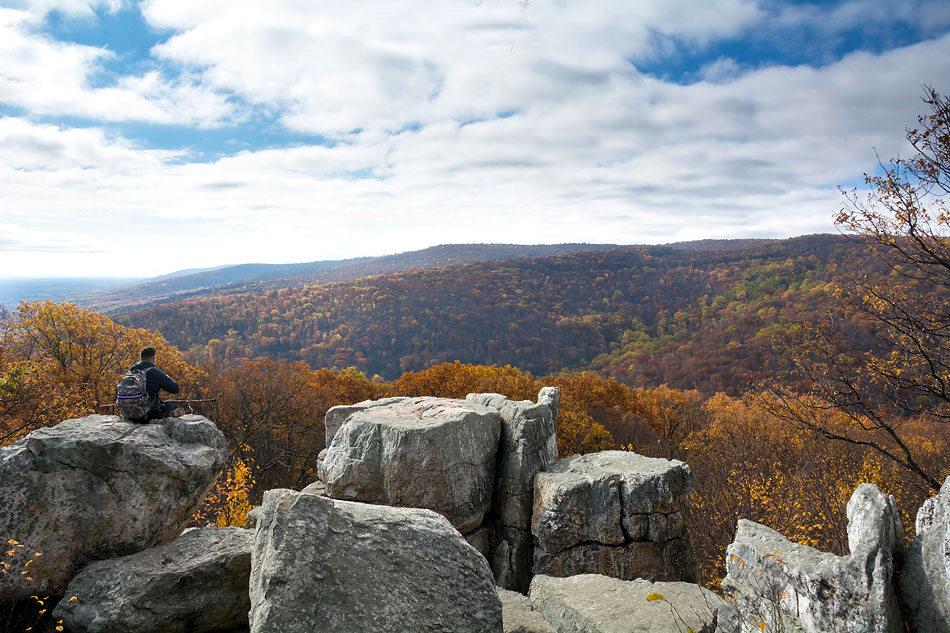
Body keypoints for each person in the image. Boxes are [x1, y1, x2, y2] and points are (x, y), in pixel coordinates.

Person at [129, 347, 181, 421]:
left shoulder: (131, 371)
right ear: (153, 358)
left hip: (128, 413)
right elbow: (175, 389)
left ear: (141, 358)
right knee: (172, 403)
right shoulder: (154, 371)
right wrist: (166, 377)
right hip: (148, 414)